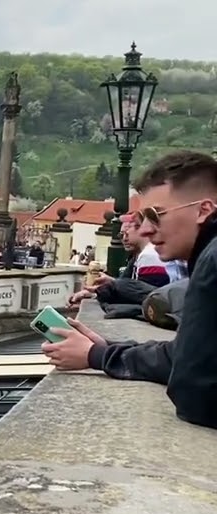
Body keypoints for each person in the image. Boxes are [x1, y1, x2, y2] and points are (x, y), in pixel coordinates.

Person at [42, 151, 217, 429]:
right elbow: (186, 355)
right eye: (143, 218)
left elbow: (194, 389)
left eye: (156, 215)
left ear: (203, 210)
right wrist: (106, 350)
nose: (145, 230)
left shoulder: (212, 260)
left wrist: (97, 356)